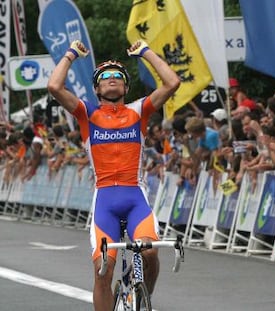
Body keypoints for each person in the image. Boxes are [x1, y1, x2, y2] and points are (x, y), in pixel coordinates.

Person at [47, 39, 180, 311]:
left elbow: (172, 83)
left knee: (150, 252)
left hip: (134, 197)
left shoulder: (138, 110)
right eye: (105, 77)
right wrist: (71, 53)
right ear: (97, 88)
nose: (112, 79)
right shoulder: (87, 113)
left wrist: (145, 52)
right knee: (103, 271)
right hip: (105, 199)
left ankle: (143, 298)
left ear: (125, 87)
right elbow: (54, 87)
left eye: (118, 76)